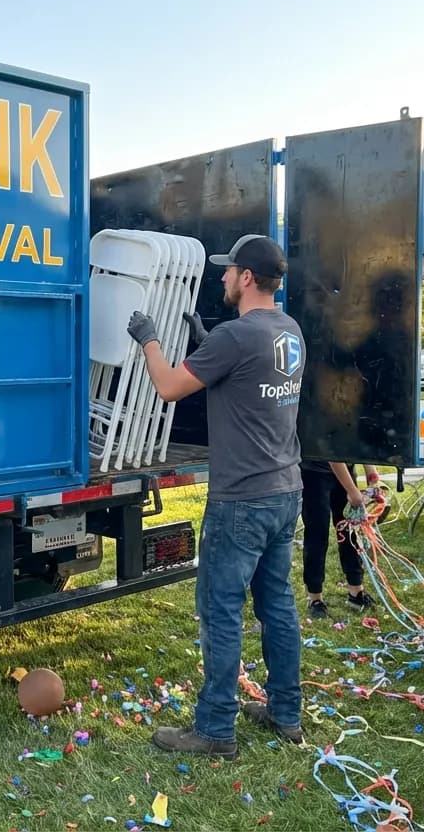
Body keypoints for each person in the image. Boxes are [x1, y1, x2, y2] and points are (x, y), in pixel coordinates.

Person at [126, 234, 306, 757]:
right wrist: (209, 345)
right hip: (284, 488)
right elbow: (249, 383)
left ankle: (214, 729)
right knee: (277, 604)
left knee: (221, 609)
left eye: (229, 271)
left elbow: (166, 387)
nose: (223, 277)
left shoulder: (237, 335)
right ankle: (285, 712)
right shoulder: (287, 331)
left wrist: (148, 339)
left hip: (242, 499)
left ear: (248, 277)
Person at [299, 460, 378, 618]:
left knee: (350, 532)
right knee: (317, 534)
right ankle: (315, 598)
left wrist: (371, 472)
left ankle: (356, 591)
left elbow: (359, 441)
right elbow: (333, 455)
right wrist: (352, 491)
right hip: (314, 472)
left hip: (345, 469)